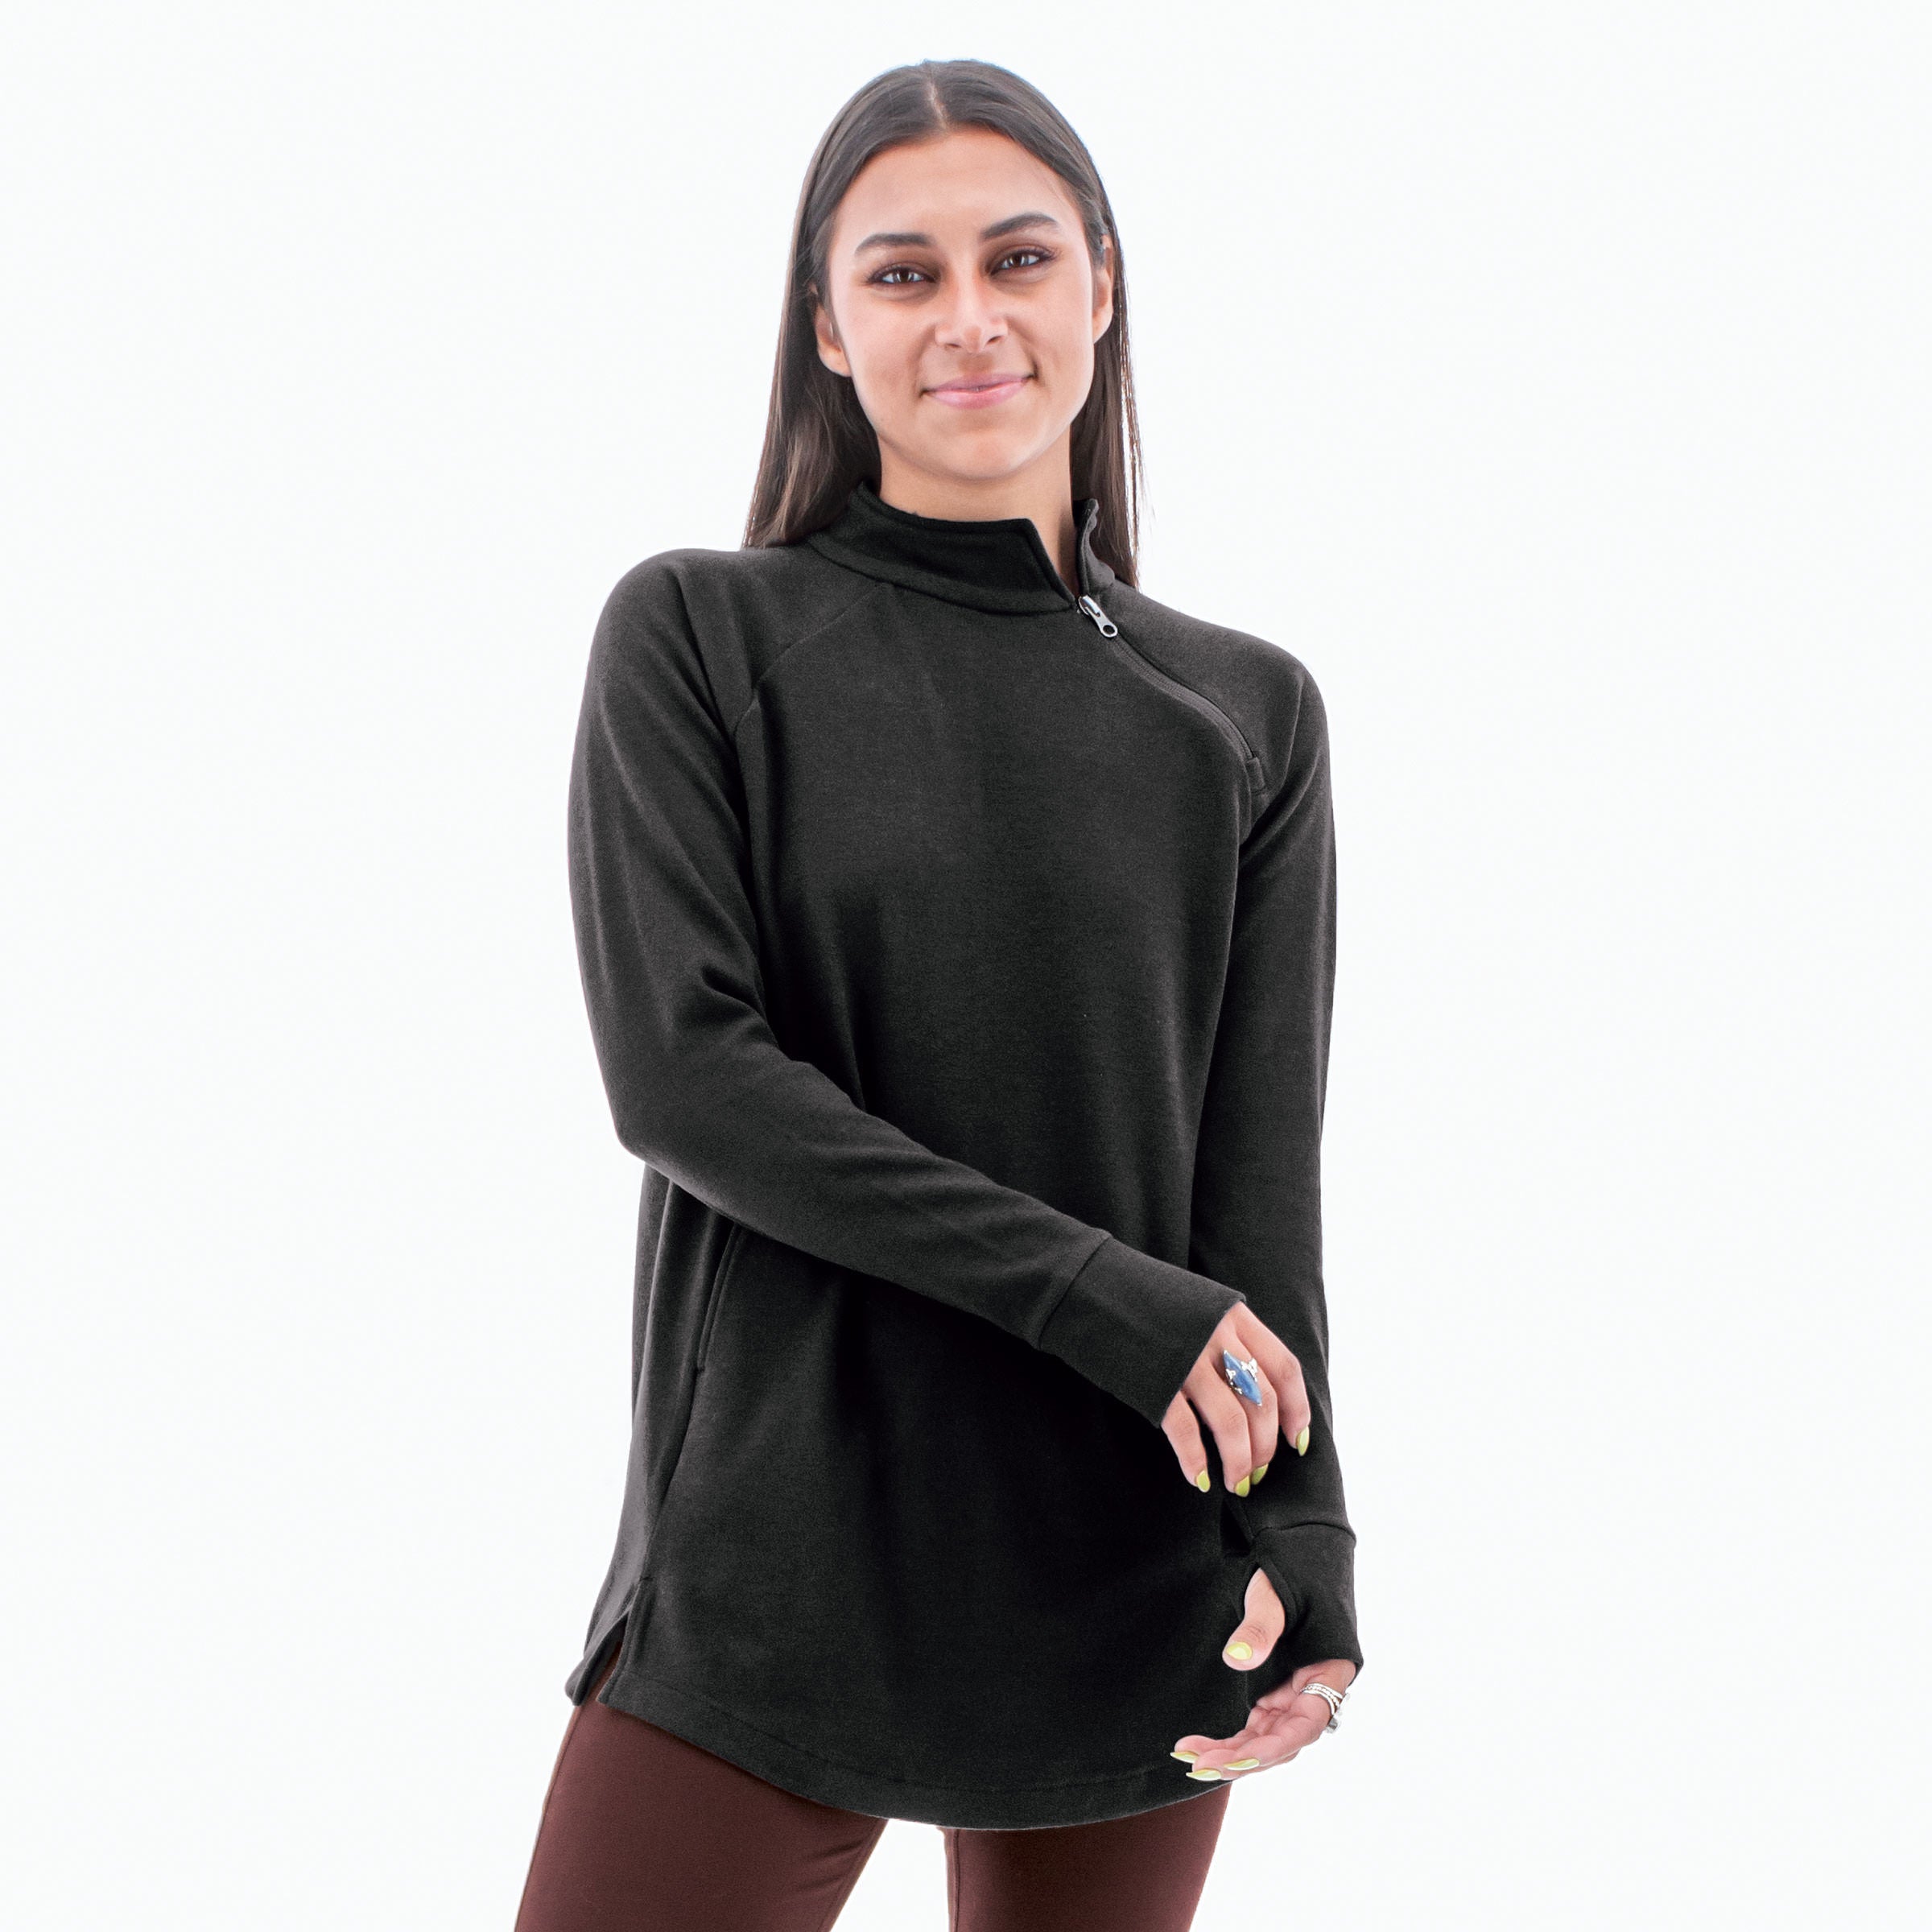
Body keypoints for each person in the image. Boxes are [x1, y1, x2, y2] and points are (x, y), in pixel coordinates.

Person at [515, 56, 1364, 1932]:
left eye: (1019, 258)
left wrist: (1309, 1526)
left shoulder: (1246, 714)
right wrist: (1106, 1300)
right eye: (903, 273)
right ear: (827, 326)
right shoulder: (701, 637)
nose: (969, 316)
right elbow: (687, 1076)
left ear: (1102, 287)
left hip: (1135, 1576)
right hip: (779, 1565)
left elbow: (1256, 1187)